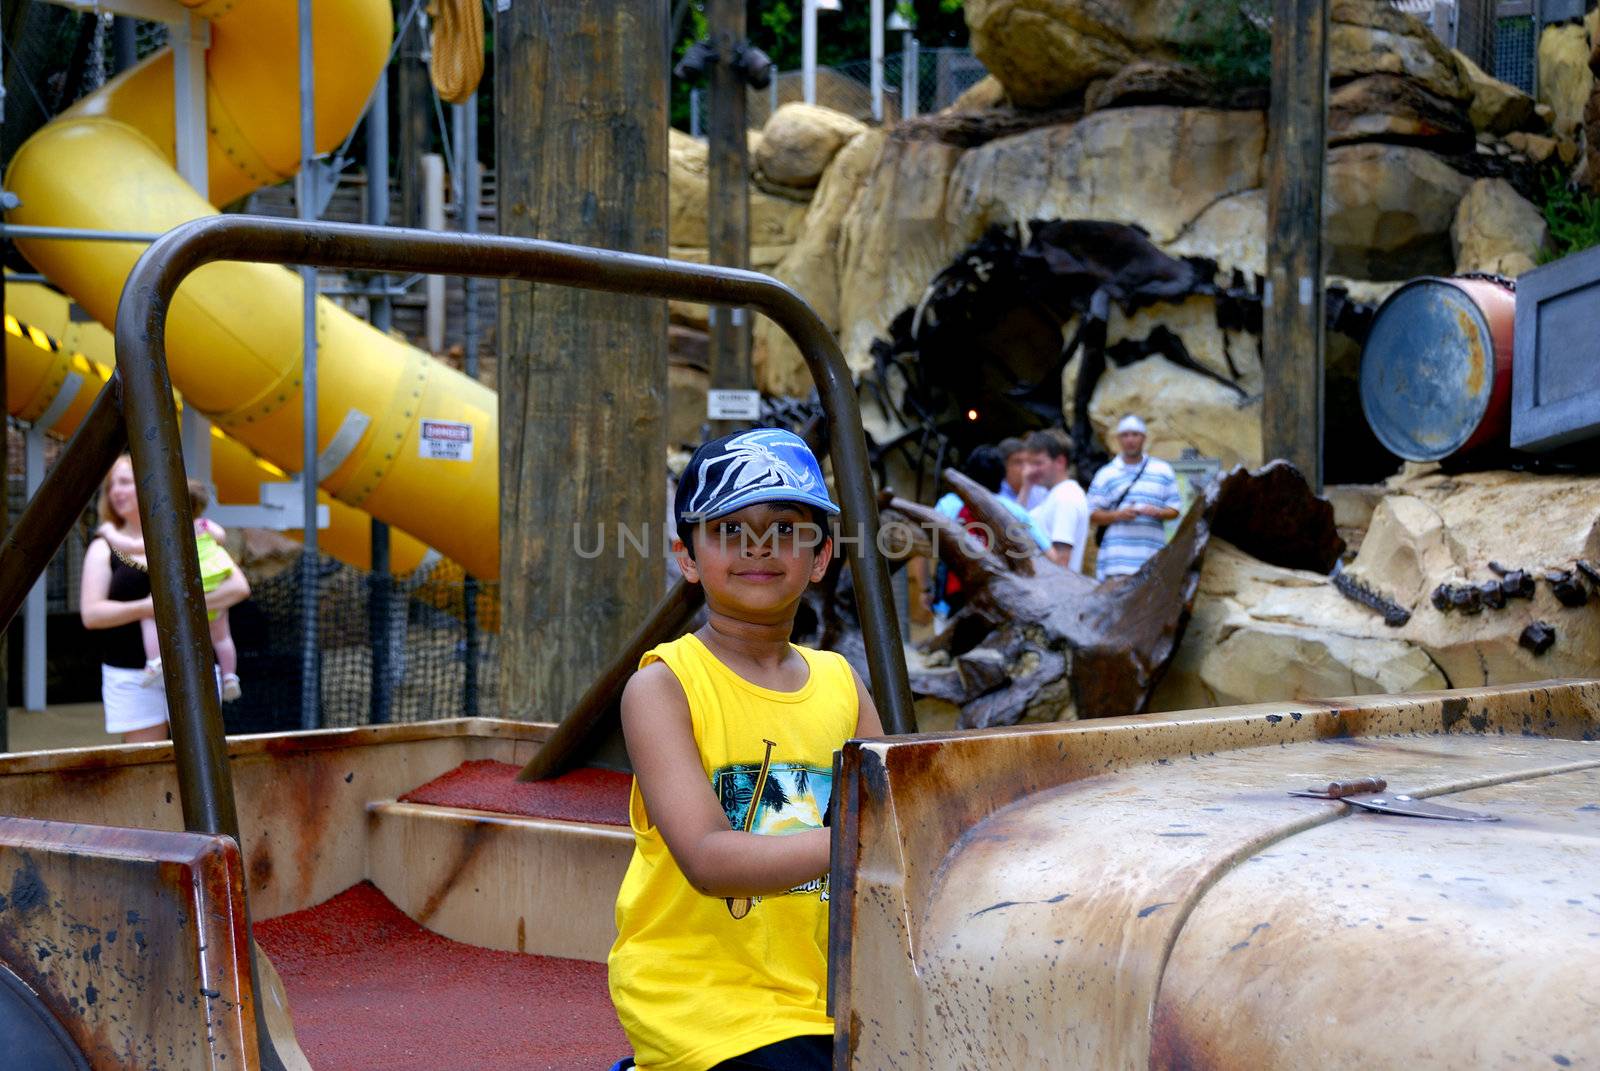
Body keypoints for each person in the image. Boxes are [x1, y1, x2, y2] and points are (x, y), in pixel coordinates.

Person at [609, 428, 883, 1071]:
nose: (759, 547)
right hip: (704, 999)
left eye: (786, 528)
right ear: (687, 556)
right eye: (730, 529)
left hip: (824, 995)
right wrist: (872, 833)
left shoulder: (842, 685)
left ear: (820, 558)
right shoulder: (664, 686)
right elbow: (708, 858)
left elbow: (906, 805)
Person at [79, 455, 252, 743]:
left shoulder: (189, 534)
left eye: (125, 483)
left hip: (192, 667)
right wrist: (149, 608)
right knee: (145, 764)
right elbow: (93, 614)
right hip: (132, 674)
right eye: (112, 485)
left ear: (151, 485)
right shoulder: (104, 547)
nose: (116, 492)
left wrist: (177, 607)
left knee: (199, 754)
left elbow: (237, 588)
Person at [99, 479, 243, 702]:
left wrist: (109, 532)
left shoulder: (169, 530)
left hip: (189, 581)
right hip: (214, 578)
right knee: (222, 636)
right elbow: (221, 536)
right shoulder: (205, 525)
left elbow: (131, 547)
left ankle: (155, 661)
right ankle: (230, 677)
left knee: (150, 615)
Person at [931, 444, 1050, 618]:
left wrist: (925, 589)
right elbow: (1048, 553)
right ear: (1001, 477)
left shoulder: (947, 506)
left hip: (952, 601)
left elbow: (925, 547)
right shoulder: (1013, 511)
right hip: (1003, 605)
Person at [1086, 415, 1182, 581]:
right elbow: (1090, 513)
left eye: (1135, 434)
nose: (1130, 440)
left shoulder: (1162, 470)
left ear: (1144, 438)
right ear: (1118, 439)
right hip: (1117, 561)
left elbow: (1175, 509)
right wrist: (1117, 515)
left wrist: (1158, 512)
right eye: (1125, 435)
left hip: (1152, 557)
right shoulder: (1106, 473)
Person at [1023, 429, 1090, 573]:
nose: (1031, 470)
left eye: (1038, 463)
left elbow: (1061, 560)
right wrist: (1027, 486)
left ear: (1060, 462)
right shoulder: (1054, 494)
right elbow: (1013, 524)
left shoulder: (1066, 497)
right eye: (1029, 464)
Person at [997, 436, 1047, 510]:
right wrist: (1026, 487)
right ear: (1004, 466)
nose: (1025, 467)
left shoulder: (1040, 490)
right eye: (1018, 462)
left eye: (1028, 461)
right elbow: (1014, 520)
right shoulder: (998, 493)